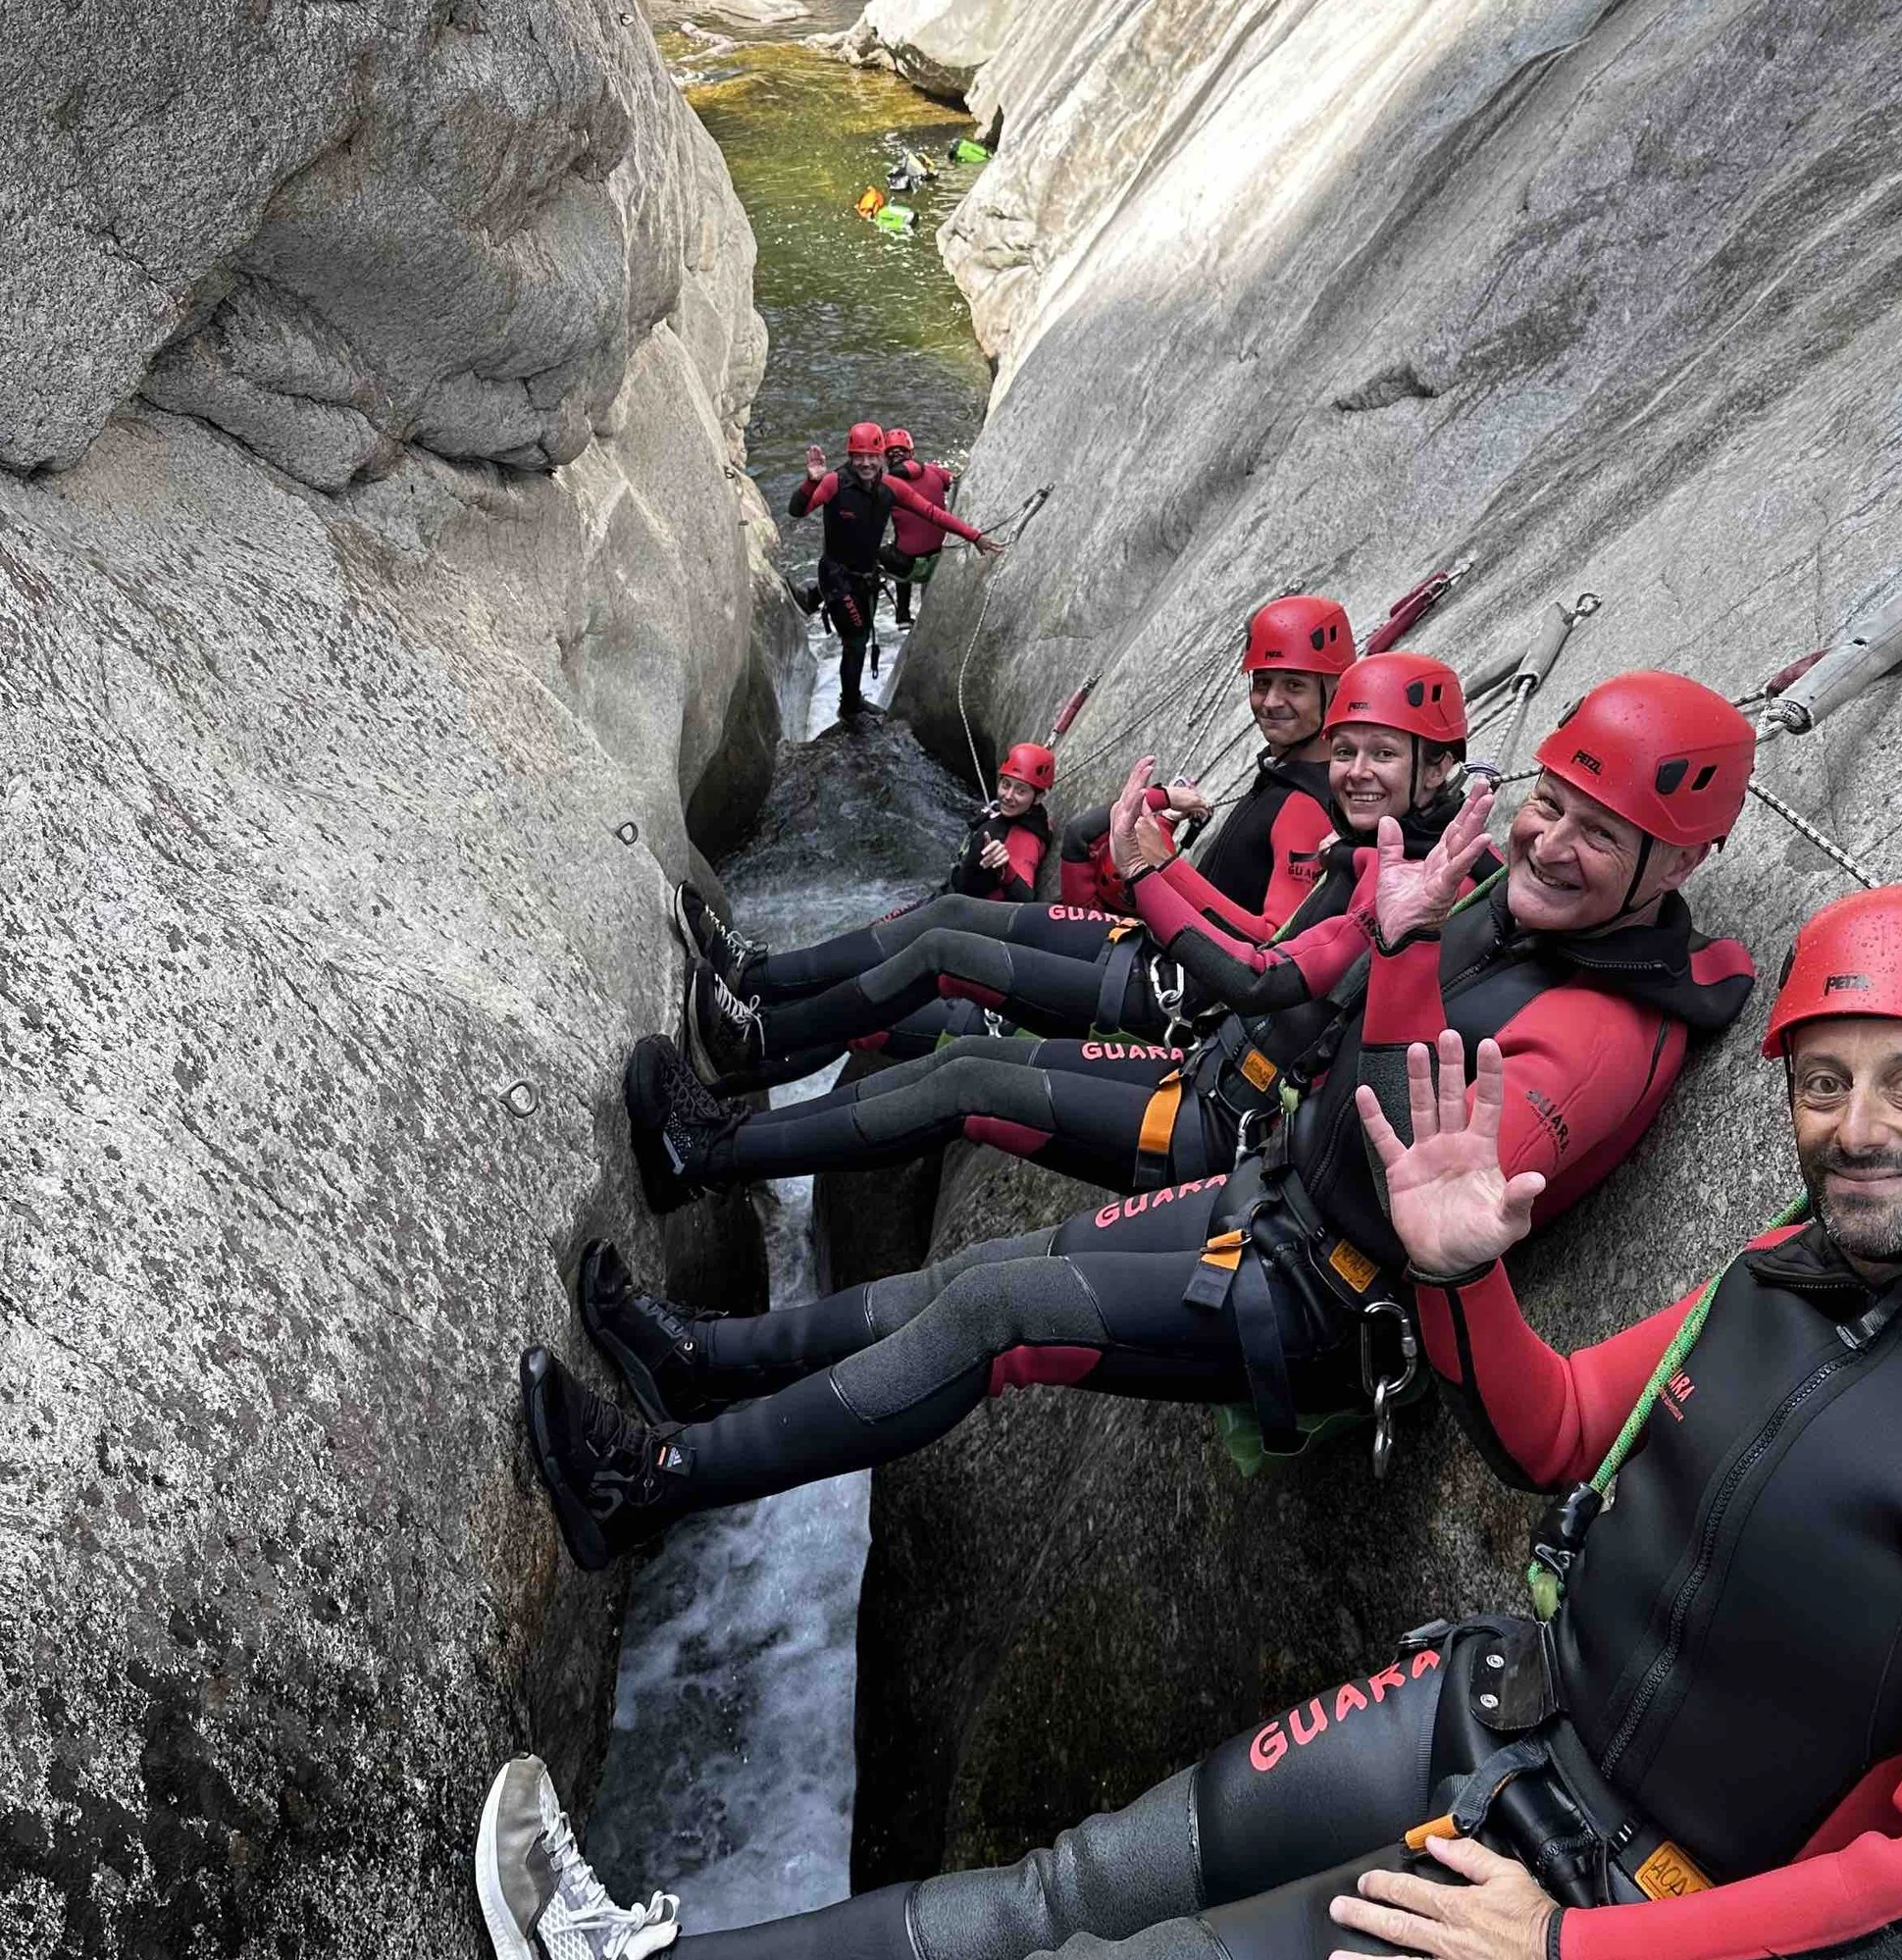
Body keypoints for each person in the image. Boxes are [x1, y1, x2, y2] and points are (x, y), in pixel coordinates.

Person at [335, 880, 1902, 1960]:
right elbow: (1549, 1433)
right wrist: (1467, 1278)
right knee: (1048, 1890)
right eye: (1825, 1079)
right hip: (1490, 1712)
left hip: (1595, 1907)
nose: (1855, 1129)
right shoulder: (1773, 1277)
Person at [531, 670, 1760, 1564]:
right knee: (984, 1274)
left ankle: (655, 1482)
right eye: (1549, 804)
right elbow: (1303, 973)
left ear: (1679, 866)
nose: (1549, 843)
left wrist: (1394, 943)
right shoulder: (1486, 889)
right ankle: (701, 1364)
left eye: (1601, 835)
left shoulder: (1600, 1038)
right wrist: (1195, 886)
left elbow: (1416, 1192)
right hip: (1265, 1194)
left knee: (998, 1310)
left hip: (1316, 1299)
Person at [632, 657, 1491, 1208]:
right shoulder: (1358, 833)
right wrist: (1152, 861)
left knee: (944, 983)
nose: (1269, 701)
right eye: (1349, 748)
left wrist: (1155, 873)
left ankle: (743, 1068)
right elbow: (1276, 950)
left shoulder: (1353, 840)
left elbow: (1265, 966)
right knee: (947, 945)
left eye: (1293, 688)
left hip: (1197, 1046)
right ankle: (756, 1003)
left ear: (1439, 765)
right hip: (1199, 1043)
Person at [1057, 594, 1351, 921]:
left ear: (1337, 690)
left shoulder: (1306, 805)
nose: (1270, 701)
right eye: (1262, 683)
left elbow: (1272, 947)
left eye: (1294, 686)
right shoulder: (1281, 774)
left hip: (1183, 964)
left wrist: (1166, 867)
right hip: (1176, 950)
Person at [789, 422, 998, 719]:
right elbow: (797, 510)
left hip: (866, 577)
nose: (865, 463)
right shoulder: (835, 482)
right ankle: (849, 706)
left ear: (882, 457)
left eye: (872, 456)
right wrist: (811, 482)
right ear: (850, 456)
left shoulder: (890, 488)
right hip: (838, 577)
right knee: (856, 641)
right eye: (858, 456)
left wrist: (974, 536)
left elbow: (932, 513)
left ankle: (851, 700)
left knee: (858, 640)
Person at [947, 741, 1056, 903]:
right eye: (1006, 784)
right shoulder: (1023, 815)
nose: (1008, 796)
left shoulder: (1024, 839)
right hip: (954, 892)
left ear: (1038, 798)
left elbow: (1025, 897)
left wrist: (1005, 869)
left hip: (962, 909)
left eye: (1020, 791)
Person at [879, 430, 955, 628]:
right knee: (898, 545)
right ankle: (903, 615)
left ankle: (902, 615)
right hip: (941, 556)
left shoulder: (885, 485)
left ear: (886, 459)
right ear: (911, 453)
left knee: (886, 550)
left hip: (910, 566)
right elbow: (953, 482)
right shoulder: (933, 470)